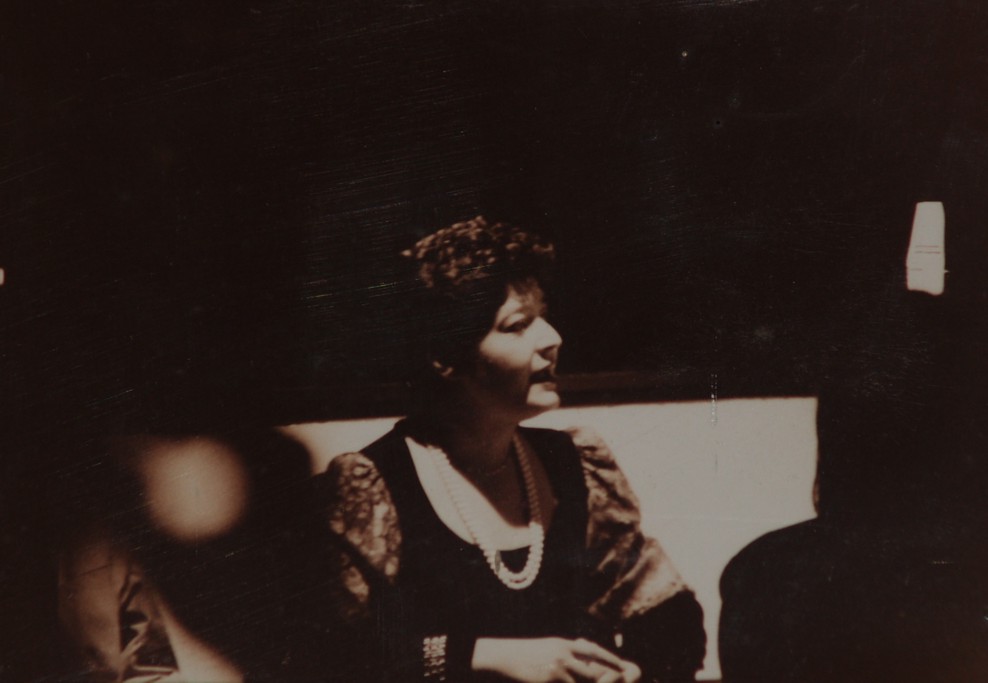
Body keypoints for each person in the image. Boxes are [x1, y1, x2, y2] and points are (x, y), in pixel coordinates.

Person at [316, 216, 706, 682]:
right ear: (444, 357)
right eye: (517, 325)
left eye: (544, 315)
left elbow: (670, 614)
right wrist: (485, 656)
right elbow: (331, 655)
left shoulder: (574, 464)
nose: (552, 339)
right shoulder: (374, 488)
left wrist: (631, 672)